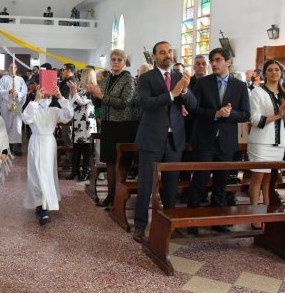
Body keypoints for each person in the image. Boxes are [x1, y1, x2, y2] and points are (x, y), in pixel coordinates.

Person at [133, 41, 196, 243]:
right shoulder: (146, 78)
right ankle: (140, 225)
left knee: (171, 185)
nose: (167, 55)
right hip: (151, 137)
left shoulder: (179, 77)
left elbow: (193, 105)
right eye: (162, 53)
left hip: (174, 138)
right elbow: (145, 104)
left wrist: (184, 92)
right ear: (154, 57)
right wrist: (172, 94)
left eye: (169, 52)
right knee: (145, 185)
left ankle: (170, 222)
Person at [187, 47, 250, 234]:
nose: (213, 63)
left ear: (228, 62)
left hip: (226, 141)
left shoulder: (240, 86)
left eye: (218, 60)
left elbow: (245, 114)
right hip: (205, 139)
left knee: (221, 183)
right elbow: (194, 110)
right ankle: (192, 221)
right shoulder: (203, 83)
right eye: (211, 60)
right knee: (199, 180)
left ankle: (217, 220)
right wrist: (215, 113)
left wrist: (230, 114)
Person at [247, 60, 285, 229]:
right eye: (270, 70)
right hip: (260, 141)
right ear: (264, 73)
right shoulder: (257, 92)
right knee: (257, 178)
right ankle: (254, 214)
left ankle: (266, 211)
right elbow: (255, 119)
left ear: (281, 73)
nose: (274, 72)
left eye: (277, 70)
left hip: (278, 142)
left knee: (269, 179)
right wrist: (278, 114)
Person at [87, 49, 136, 207]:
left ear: (124, 62)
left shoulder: (129, 80)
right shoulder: (106, 80)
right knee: (109, 161)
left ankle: (119, 199)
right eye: (113, 59)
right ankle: (110, 196)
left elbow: (124, 103)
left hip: (123, 125)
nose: (115, 61)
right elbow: (99, 103)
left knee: (121, 163)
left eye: (119, 59)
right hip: (108, 125)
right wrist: (95, 99)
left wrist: (101, 96)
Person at [22, 85, 74, 225]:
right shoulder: (33, 108)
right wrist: (36, 100)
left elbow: (68, 115)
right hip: (36, 142)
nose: (46, 98)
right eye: (43, 95)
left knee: (48, 174)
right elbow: (26, 118)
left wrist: (61, 98)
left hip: (49, 144)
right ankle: (41, 206)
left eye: (48, 96)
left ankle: (44, 206)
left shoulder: (54, 110)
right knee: (37, 175)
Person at [67, 68, 98, 181]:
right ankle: (74, 172)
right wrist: (72, 91)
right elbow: (72, 103)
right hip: (78, 122)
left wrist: (74, 91)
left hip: (87, 124)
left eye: (81, 75)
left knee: (86, 150)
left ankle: (85, 172)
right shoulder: (80, 89)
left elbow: (81, 101)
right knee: (76, 149)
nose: (79, 77)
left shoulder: (92, 90)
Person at [0, 62, 27, 156]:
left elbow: (24, 91)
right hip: (7, 104)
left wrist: (17, 94)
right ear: (8, 69)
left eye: (14, 67)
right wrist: (8, 91)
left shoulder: (20, 79)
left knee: (17, 126)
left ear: (16, 69)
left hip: (17, 104)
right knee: (6, 125)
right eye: (11, 67)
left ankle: (17, 148)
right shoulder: (3, 79)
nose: (12, 69)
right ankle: (6, 148)